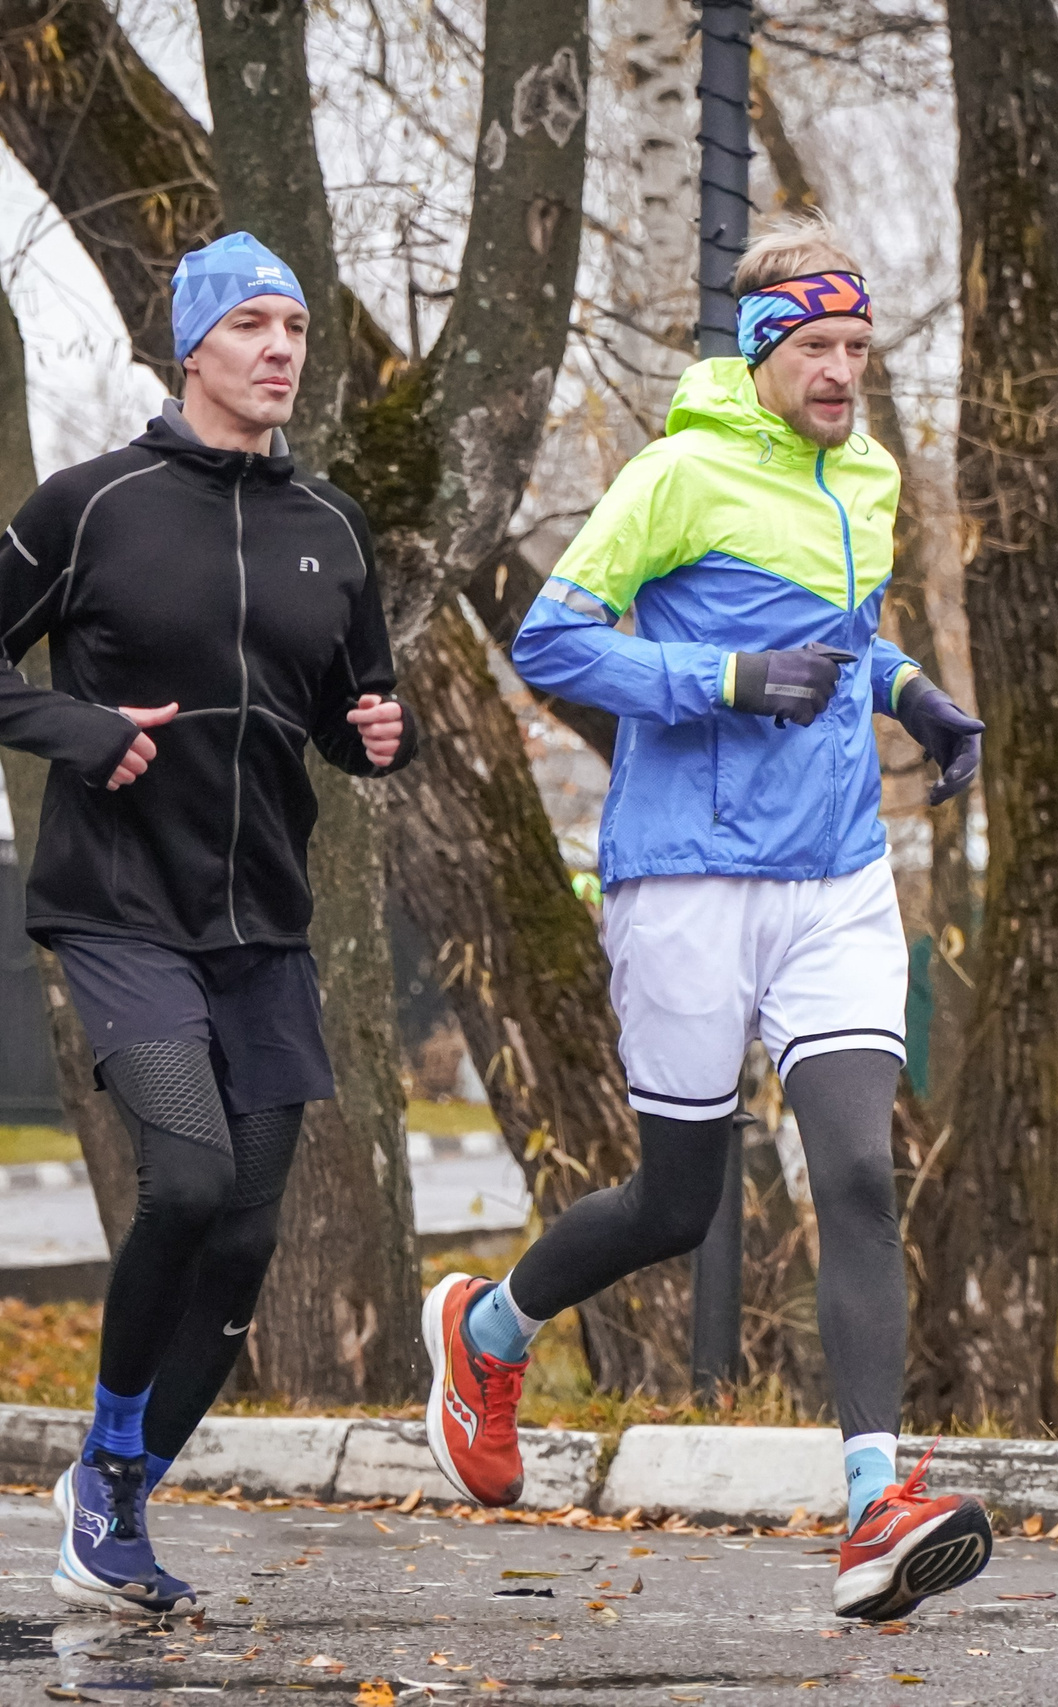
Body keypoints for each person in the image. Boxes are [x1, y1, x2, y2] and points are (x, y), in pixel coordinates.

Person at [419, 220, 992, 1623]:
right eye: (820, 349)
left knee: (857, 1167)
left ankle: (874, 1500)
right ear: (761, 353)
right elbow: (556, 637)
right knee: (677, 1201)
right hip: (685, 876)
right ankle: (488, 1335)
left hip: (839, 877)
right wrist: (726, 676)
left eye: (860, 348)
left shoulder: (867, 475)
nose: (846, 373)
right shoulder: (677, 475)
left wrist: (906, 689)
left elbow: (844, 638)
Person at [0, 230, 414, 1614]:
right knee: (187, 1178)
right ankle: (115, 1470)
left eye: (296, 328)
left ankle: (113, 1488)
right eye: (253, 324)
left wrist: (383, 732)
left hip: (265, 917)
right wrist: (77, 729)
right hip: (122, 904)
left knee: (250, 1234)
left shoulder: (332, 528)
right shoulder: (95, 503)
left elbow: (356, 713)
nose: (279, 350)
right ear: (191, 344)